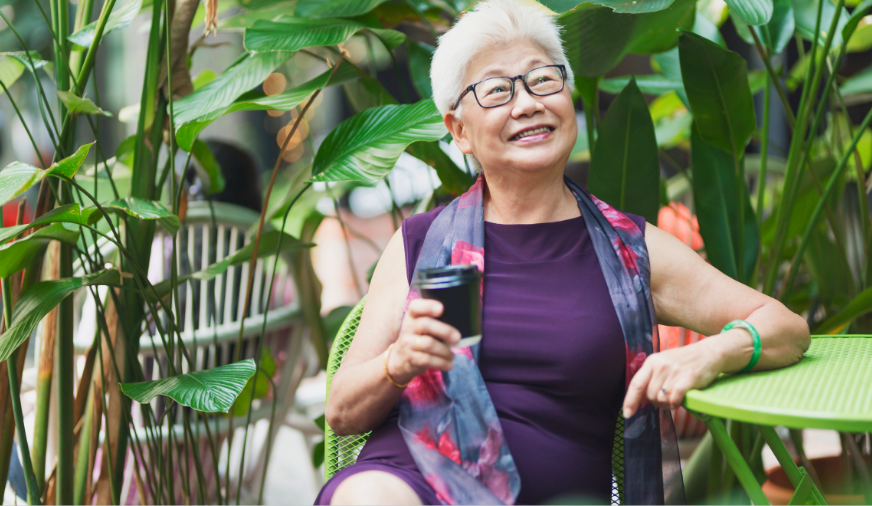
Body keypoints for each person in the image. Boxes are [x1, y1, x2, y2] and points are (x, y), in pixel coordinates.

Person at [318, 1, 810, 504]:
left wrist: (710, 353)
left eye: (543, 80)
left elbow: (786, 328)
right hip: (413, 479)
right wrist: (397, 364)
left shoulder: (631, 250)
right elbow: (342, 411)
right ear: (459, 131)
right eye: (496, 90)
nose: (528, 102)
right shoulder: (423, 243)